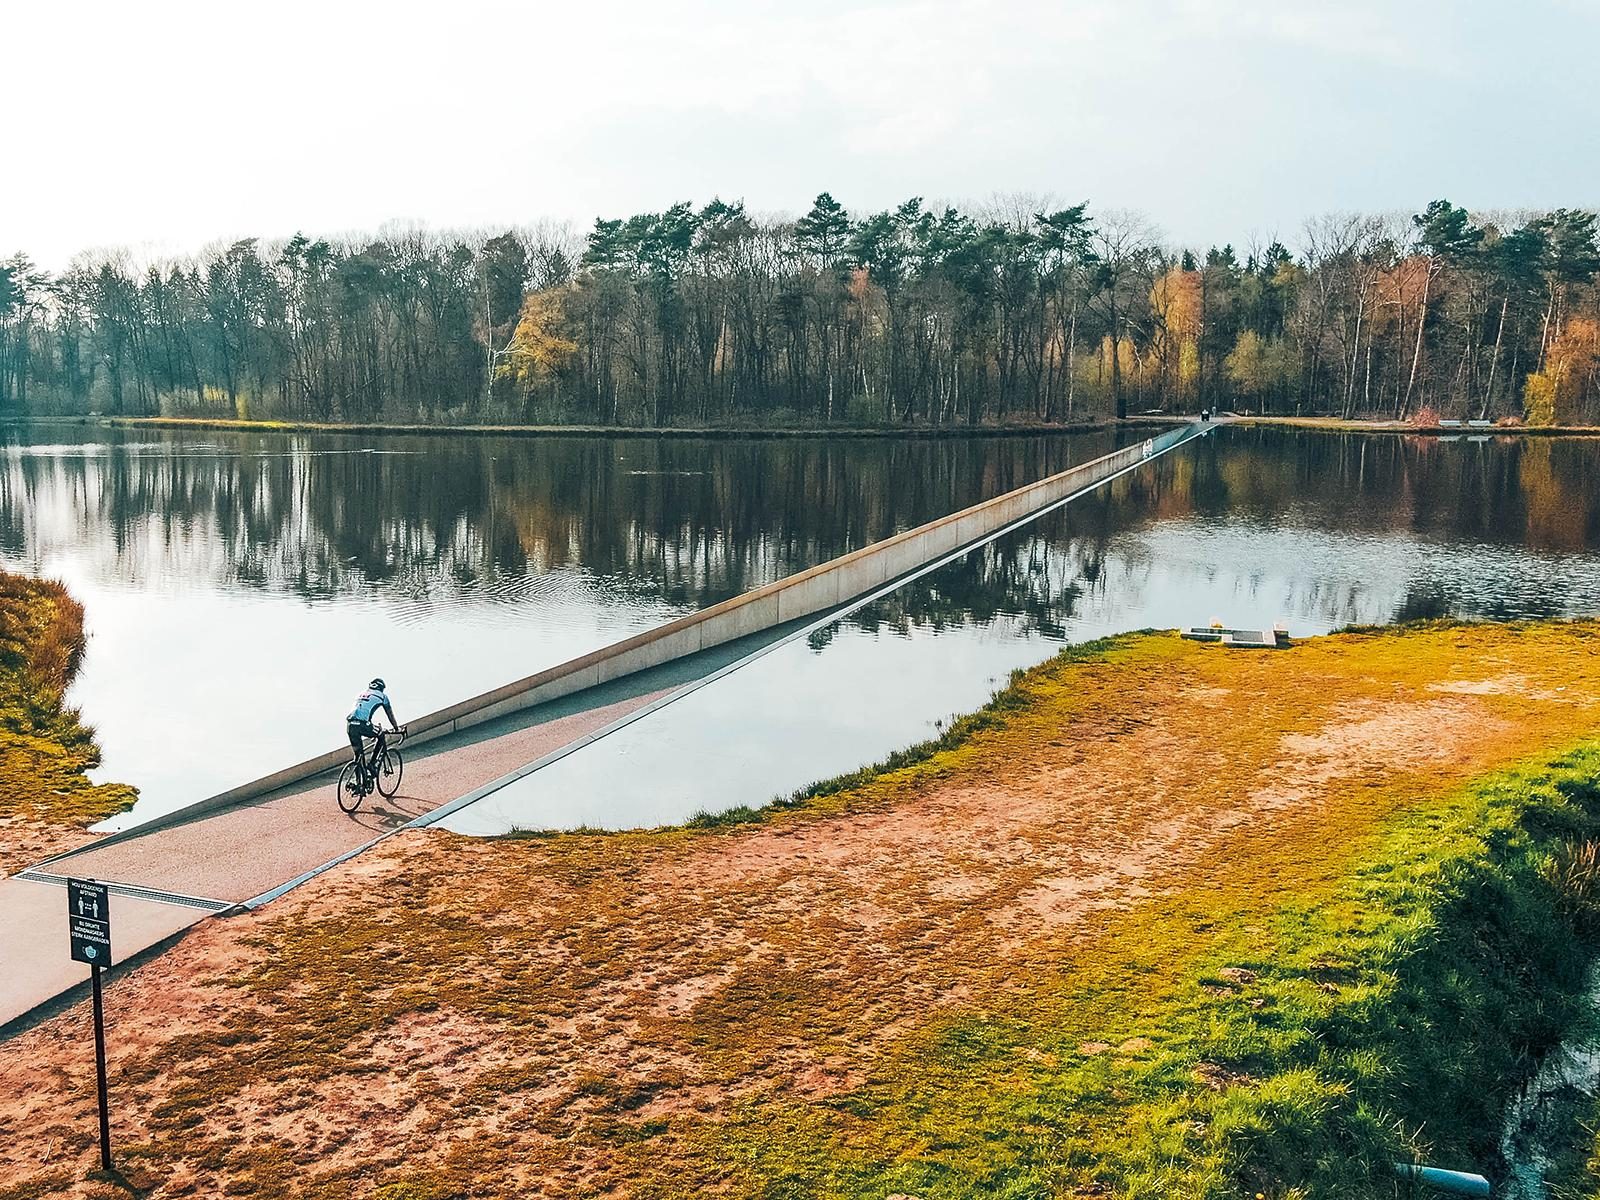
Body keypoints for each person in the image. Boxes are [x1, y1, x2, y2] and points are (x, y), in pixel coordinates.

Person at [347, 678, 398, 786]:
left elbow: (361, 710)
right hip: (363, 725)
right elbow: (389, 714)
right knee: (381, 734)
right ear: (381, 688)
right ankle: (372, 764)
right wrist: (396, 728)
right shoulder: (382, 696)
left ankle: (359, 784)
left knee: (358, 755)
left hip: (350, 725)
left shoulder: (361, 693)